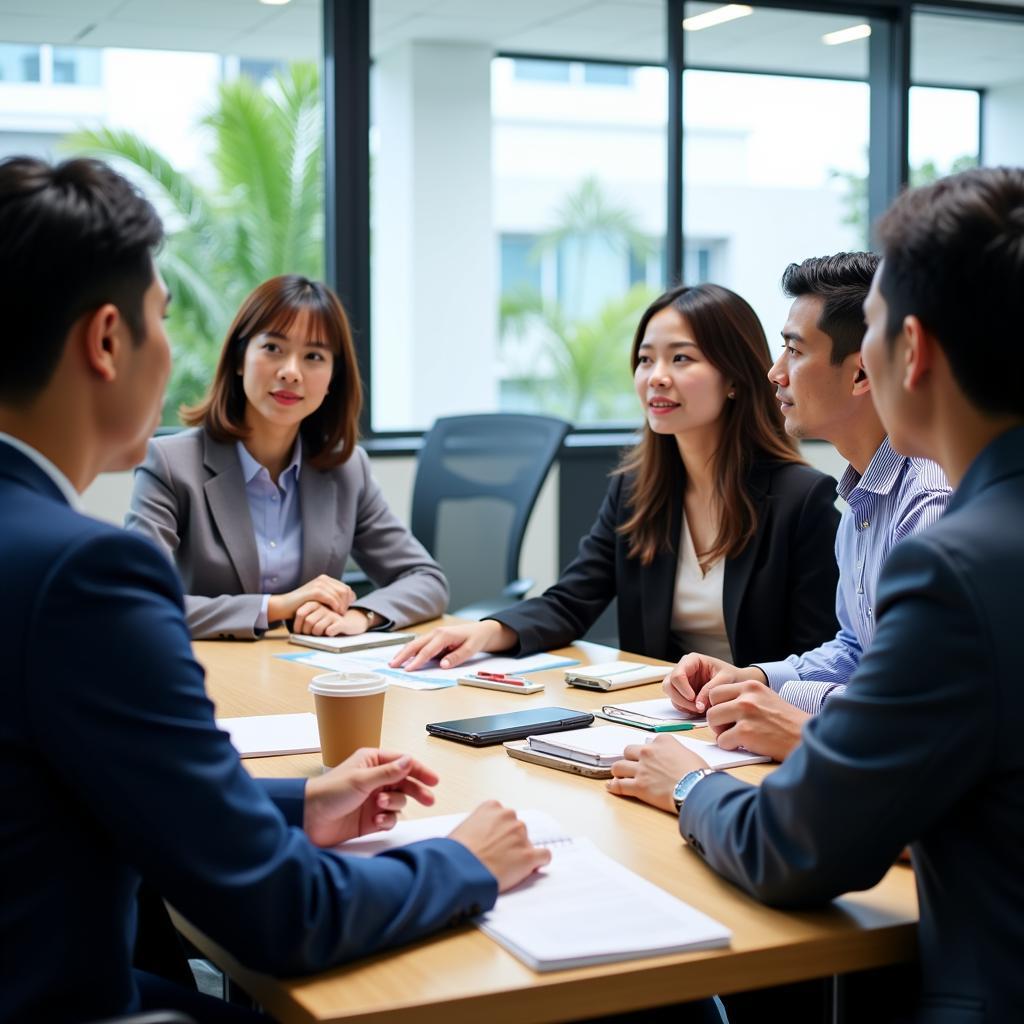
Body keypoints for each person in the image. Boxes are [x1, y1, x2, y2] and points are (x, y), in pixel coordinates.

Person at [0, 155, 550, 1023]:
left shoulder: (337, 468)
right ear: (108, 340)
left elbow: (82, 780)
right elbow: (279, 913)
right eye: (163, 319)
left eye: (315, 355)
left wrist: (299, 797)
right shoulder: (87, 571)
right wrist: (465, 860)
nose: (291, 370)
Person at [609, 166, 1024, 1021]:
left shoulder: (956, 559)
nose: (774, 373)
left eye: (869, 331)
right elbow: (860, 658)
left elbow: (796, 847)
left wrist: (688, 784)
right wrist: (762, 680)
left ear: (915, 354)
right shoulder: (885, 508)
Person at [391, 283, 840, 673]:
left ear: (734, 378)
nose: (657, 378)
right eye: (646, 360)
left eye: (681, 358)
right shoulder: (637, 490)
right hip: (659, 717)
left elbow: (820, 657)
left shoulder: (802, 500)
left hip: (755, 728)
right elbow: (572, 600)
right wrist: (484, 633)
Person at [662, 254, 950, 762]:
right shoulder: (863, 493)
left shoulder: (928, 504)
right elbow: (856, 650)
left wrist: (774, 701)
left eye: (793, 351)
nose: (775, 373)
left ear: (861, 373)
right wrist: (752, 678)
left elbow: (913, 705)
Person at [126, 274, 447, 640]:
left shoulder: (346, 469)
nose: (291, 372)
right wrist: (277, 606)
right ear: (239, 359)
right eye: (273, 348)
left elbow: (426, 579)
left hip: (305, 675)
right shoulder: (170, 463)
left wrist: (361, 615)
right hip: (207, 675)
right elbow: (138, 598)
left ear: (331, 380)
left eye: (313, 356)